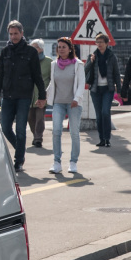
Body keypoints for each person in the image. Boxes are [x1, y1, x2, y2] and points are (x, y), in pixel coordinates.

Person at [0, 21, 47, 172]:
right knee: (5, 128)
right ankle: (20, 150)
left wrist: (42, 96)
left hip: (24, 96)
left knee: (21, 129)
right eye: (11, 34)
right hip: (7, 96)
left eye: (16, 33)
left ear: (22, 34)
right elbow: (0, 74)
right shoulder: (5, 52)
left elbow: (37, 76)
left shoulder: (30, 52)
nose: (13, 36)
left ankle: (18, 161)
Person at [47, 37, 84, 175]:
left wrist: (76, 98)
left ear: (70, 49)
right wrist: (45, 95)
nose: (61, 49)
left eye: (63, 47)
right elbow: (53, 83)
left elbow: (81, 84)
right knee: (56, 131)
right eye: (59, 47)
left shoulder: (78, 64)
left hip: (74, 103)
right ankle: (57, 162)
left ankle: (73, 162)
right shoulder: (54, 64)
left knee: (74, 133)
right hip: (58, 102)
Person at [86, 32, 120, 148]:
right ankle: (101, 139)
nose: (99, 44)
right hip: (95, 89)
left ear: (106, 43)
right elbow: (85, 71)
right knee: (99, 115)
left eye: (101, 42)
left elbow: (116, 73)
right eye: (97, 42)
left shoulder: (111, 56)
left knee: (105, 112)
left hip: (107, 89)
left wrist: (119, 90)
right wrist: (91, 61)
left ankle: (107, 138)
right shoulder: (93, 55)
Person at [27, 38, 52, 149]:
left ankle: (38, 138)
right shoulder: (28, 60)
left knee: (40, 117)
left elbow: (52, 79)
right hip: (29, 94)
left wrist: (48, 93)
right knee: (30, 117)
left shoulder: (48, 62)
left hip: (41, 94)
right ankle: (35, 135)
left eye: (35, 47)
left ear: (41, 49)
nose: (32, 49)